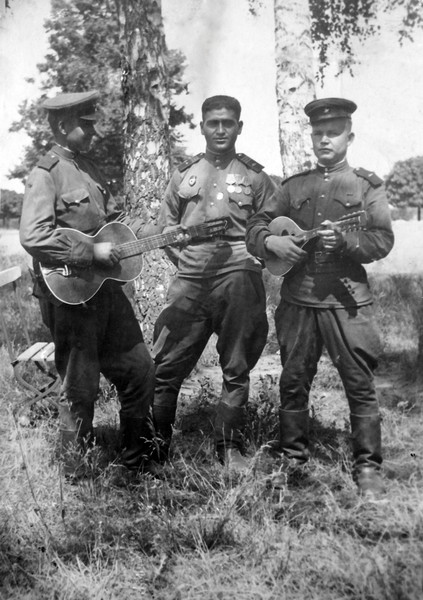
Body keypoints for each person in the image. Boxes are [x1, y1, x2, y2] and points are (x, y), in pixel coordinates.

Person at [246, 97, 394, 499]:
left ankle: (368, 468)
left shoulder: (366, 186)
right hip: (298, 300)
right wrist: (272, 242)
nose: (325, 139)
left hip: (347, 302)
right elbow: (256, 226)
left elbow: (382, 239)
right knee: (293, 380)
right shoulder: (293, 186)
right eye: (319, 133)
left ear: (350, 137)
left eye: (334, 132)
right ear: (311, 137)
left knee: (359, 382)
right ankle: (292, 458)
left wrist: (345, 241)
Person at [20, 91, 157, 475]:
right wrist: (89, 252)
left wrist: (162, 233)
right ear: (64, 126)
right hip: (70, 295)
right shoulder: (45, 173)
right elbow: (34, 236)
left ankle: (135, 461)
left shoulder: (90, 169)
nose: (95, 131)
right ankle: (76, 472)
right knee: (80, 386)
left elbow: (116, 223)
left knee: (140, 370)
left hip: (106, 291)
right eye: (88, 124)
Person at [152, 95, 276, 472]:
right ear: (202, 127)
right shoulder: (184, 174)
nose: (220, 130)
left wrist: (253, 258)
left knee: (237, 366)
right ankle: (155, 447)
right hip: (191, 278)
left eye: (228, 123)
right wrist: (187, 261)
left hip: (239, 277)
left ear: (239, 127)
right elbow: (165, 228)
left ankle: (229, 448)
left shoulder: (256, 176)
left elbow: (273, 228)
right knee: (166, 364)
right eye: (213, 123)